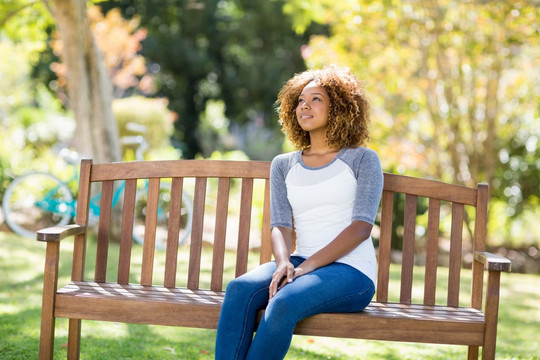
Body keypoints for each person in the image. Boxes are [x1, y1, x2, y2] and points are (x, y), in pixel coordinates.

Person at [215, 65, 384, 360]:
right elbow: (280, 224)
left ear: (340, 107)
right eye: (301, 100)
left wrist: (307, 268)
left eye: (316, 99)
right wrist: (283, 263)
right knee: (239, 290)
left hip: (352, 272)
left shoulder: (363, 160)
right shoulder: (283, 164)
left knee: (284, 301)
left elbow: (361, 227)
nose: (304, 106)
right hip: (298, 261)